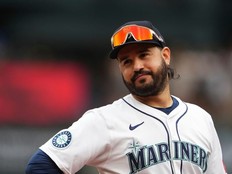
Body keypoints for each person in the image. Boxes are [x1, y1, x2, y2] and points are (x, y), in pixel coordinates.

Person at [25, 20, 227, 174]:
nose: (137, 66)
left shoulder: (201, 119)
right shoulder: (105, 120)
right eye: (126, 61)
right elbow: (41, 165)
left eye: (144, 54)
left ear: (165, 55)